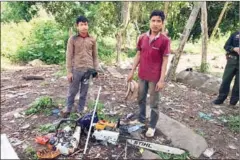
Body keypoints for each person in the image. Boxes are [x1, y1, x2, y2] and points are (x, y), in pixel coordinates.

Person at [127, 10, 170, 137]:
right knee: (140, 98)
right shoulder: (142, 38)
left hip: (155, 77)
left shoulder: (165, 40)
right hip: (142, 75)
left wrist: (162, 79)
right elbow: (138, 54)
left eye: (158, 21)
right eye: (153, 20)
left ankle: (152, 126)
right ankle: (140, 119)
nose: (155, 24)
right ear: (149, 22)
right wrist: (132, 71)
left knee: (154, 103)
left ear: (162, 24)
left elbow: (165, 60)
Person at [61, 15, 99, 118]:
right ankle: (68, 108)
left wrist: (96, 69)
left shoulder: (92, 39)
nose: (84, 27)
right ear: (77, 26)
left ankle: (80, 110)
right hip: (76, 70)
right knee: (72, 91)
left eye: (86, 24)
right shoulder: (72, 39)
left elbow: (95, 56)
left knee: (84, 92)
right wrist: (69, 72)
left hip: (88, 71)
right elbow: (68, 56)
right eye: (81, 25)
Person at [212, 31, 239, 108]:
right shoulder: (235, 34)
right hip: (232, 61)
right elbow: (226, 46)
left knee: (238, 84)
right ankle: (220, 99)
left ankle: (233, 103)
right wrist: (234, 48)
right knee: (226, 81)